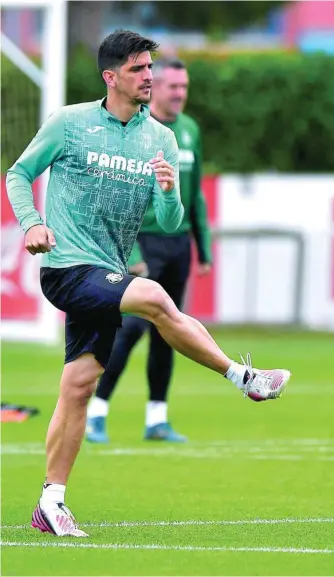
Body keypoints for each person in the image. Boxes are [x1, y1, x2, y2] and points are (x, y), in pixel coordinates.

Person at [6, 29, 291, 538]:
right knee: (156, 295)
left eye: (150, 68)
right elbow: (18, 173)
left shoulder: (160, 137)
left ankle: (51, 503)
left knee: (77, 387)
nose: (149, 78)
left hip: (106, 271)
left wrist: (165, 190)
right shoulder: (69, 124)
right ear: (110, 76)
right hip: (68, 269)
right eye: (138, 70)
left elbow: (171, 215)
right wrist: (32, 223)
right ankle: (243, 378)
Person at [86, 58, 211, 444]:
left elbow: (196, 196)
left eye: (184, 87)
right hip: (143, 243)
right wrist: (133, 250)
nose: (179, 94)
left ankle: (157, 418)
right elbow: (118, 195)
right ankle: (96, 411)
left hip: (178, 244)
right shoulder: (140, 133)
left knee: (170, 330)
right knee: (132, 328)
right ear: (154, 88)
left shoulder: (188, 131)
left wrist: (202, 248)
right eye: (173, 86)